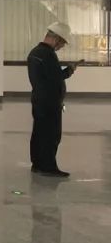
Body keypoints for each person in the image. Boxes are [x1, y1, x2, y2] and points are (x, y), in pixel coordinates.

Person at [27, 22, 76, 178]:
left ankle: (37, 164)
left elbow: (47, 76)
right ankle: (48, 167)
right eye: (62, 43)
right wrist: (70, 70)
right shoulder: (48, 54)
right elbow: (56, 77)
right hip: (50, 102)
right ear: (56, 39)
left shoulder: (35, 52)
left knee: (39, 133)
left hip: (39, 99)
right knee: (51, 135)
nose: (61, 47)